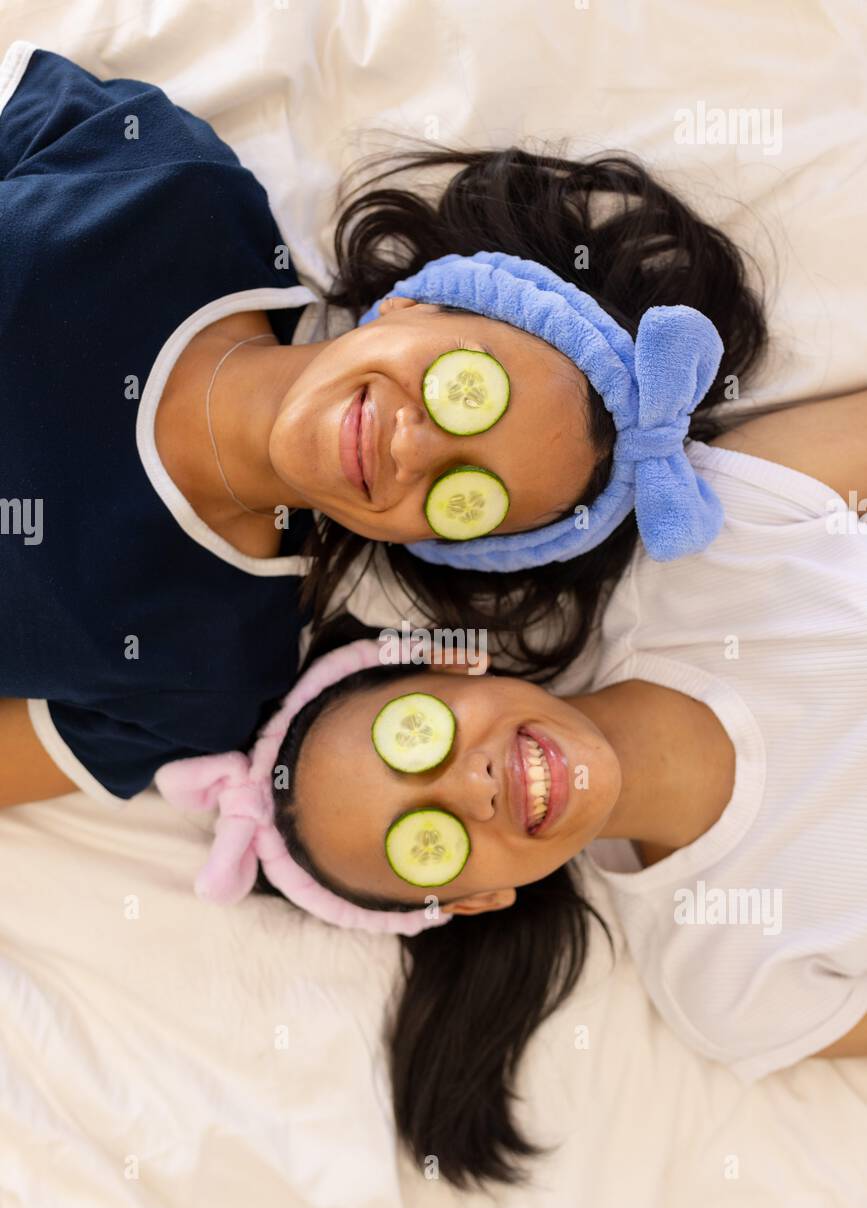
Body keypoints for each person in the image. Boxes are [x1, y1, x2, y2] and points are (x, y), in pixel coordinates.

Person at [1, 40, 767, 806]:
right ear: (415, 301)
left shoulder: (205, 678)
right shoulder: (172, 191)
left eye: (464, 493)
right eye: (462, 388)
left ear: (439, 545)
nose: (411, 447)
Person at [159, 383, 867, 1186]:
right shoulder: (732, 991)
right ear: (476, 900)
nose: (471, 787)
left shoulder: (713, 525)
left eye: (418, 736)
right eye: (428, 845)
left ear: (457, 660)